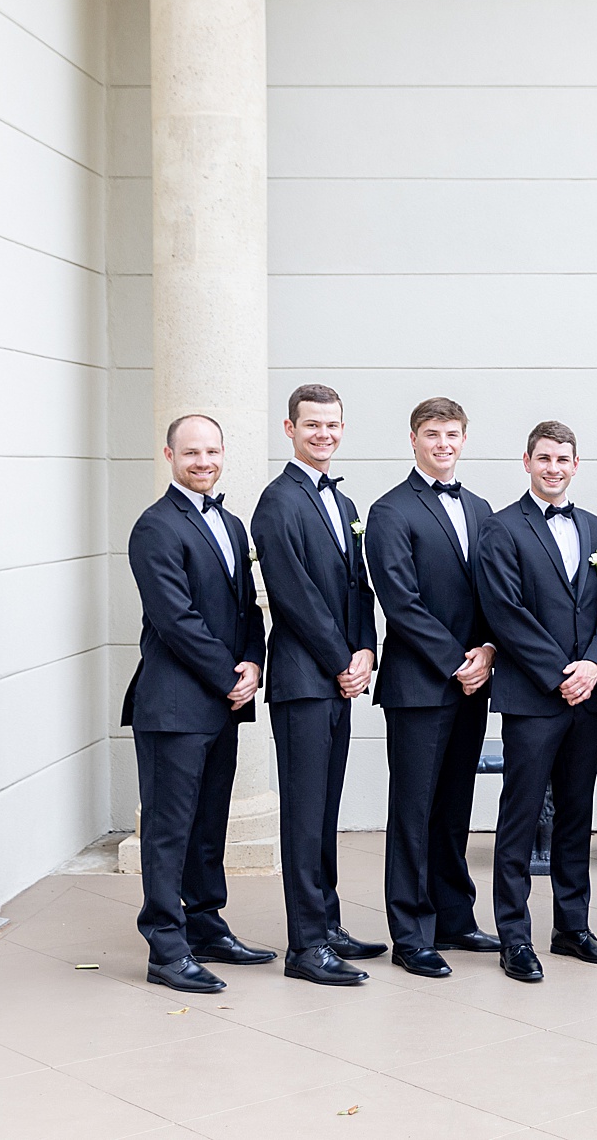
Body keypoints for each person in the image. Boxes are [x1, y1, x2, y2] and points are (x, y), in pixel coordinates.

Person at [124, 415, 272, 993]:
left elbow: (246, 608)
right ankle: (165, 945)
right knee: (169, 827)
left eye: (212, 451)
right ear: (169, 455)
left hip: (222, 700)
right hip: (174, 705)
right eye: (191, 452)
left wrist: (253, 664)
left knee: (210, 824)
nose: (203, 461)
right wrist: (225, 675)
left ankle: (206, 924)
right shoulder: (155, 527)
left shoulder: (231, 524)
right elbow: (174, 618)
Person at [475, 421, 597, 983]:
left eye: (563, 458)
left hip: (587, 696)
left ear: (576, 465)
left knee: (576, 814)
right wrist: (560, 672)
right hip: (533, 696)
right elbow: (505, 611)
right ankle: (514, 935)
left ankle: (572, 927)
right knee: (520, 815)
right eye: (544, 458)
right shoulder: (501, 528)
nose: (554, 467)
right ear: (527, 462)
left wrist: (594, 665)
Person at [251, 384, 384, 986]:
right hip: (305, 682)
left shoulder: (343, 500)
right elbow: (294, 596)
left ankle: (326, 923)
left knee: (325, 810)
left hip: (339, 678)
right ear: (290, 428)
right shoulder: (277, 502)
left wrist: (365, 652)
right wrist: (339, 659)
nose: (324, 434)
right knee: (303, 814)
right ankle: (305, 946)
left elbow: (359, 587)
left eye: (332, 424)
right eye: (312, 425)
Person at [365, 397, 500, 978]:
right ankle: (411, 930)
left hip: (474, 682)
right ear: (413, 439)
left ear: (464, 439)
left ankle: (454, 915)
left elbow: (497, 593)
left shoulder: (481, 507)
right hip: (420, 685)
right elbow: (399, 599)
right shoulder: (390, 510)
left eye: (452, 434)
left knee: (454, 807)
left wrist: (489, 650)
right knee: (414, 808)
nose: (443, 444)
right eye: (431, 434)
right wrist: (454, 660)